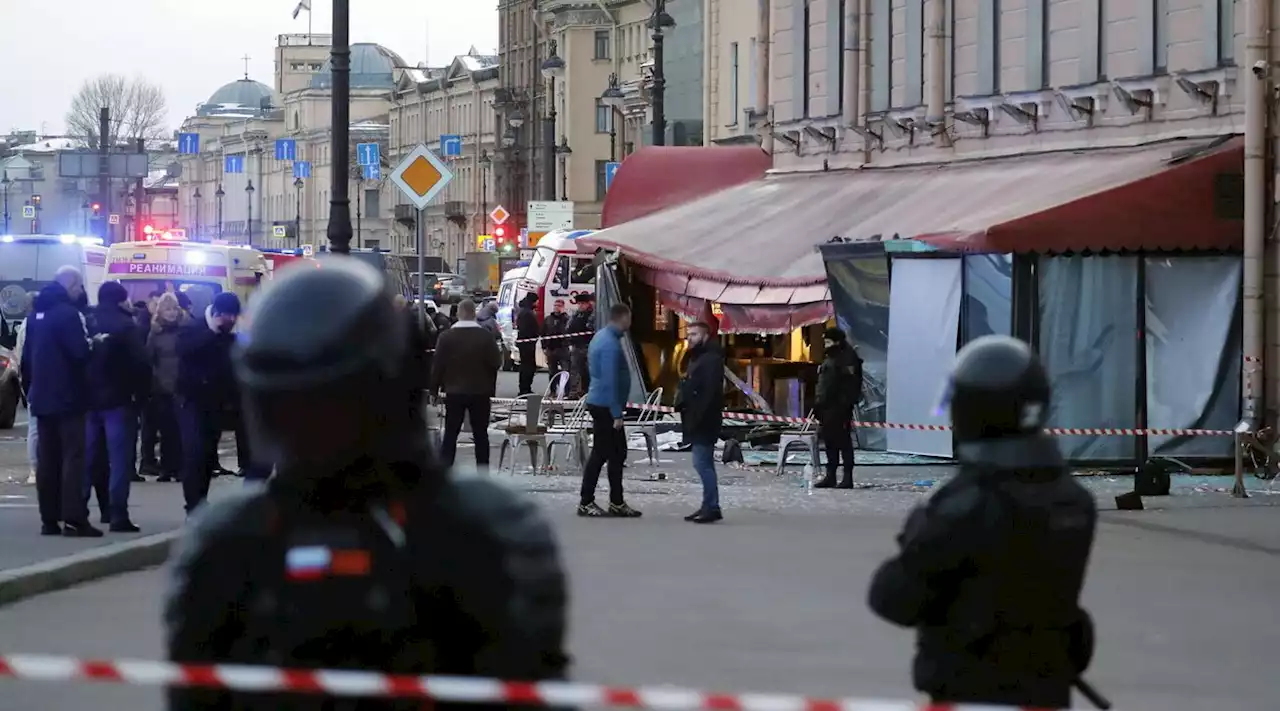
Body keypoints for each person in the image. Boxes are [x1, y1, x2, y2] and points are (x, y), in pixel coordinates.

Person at [164, 259, 569, 711]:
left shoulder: (228, 538)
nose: (320, 431)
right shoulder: (491, 524)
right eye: (301, 410)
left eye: (332, 407)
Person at [867, 335, 1097, 709]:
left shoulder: (968, 504)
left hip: (972, 690)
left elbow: (892, 598)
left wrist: (922, 530)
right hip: (1048, 691)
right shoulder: (1074, 501)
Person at [21, 266, 101, 537]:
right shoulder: (69, 315)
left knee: (48, 459)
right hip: (69, 398)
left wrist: (30, 391)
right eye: (79, 287)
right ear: (71, 286)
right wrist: (97, 343)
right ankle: (74, 518)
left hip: (41, 398)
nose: (81, 293)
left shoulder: (35, 316)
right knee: (73, 458)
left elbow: (27, 359)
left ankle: (49, 519)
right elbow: (80, 352)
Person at [83, 282, 150, 532]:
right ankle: (118, 514)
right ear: (122, 300)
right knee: (120, 460)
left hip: (89, 401)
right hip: (120, 400)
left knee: (90, 458)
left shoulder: (88, 321)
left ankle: (80, 510)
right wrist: (140, 396)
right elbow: (142, 363)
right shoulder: (126, 325)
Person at [176, 292, 241, 513]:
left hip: (216, 403)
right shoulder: (193, 328)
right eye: (227, 316)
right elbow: (184, 351)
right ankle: (193, 504)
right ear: (215, 313)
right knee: (195, 454)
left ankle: (200, 501)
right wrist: (212, 332)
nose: (230, 321)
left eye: (234, 316)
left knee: (207, 456)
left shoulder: (228, 336)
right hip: (192, 401)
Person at [577, 303, 640, 518]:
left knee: (617, 453)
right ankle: (586, 501)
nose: (630, 323)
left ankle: (617, 501)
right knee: (601, 453)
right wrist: (616, 413)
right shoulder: (610, 344)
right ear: (623, 318)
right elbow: (609, 379)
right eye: (629, 319)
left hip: (603, 402)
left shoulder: (602, 337)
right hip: (606, 405)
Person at [431, 298, 500, 470]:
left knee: (451, 433)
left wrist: (434, 390)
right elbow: (496, 362)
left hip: (454, 391)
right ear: (474, 314)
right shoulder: (485, 336)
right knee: (480, 435)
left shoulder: (446, 337)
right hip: (480, 392)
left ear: (457, 314)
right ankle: (482, 473)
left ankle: (445, 471)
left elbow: (438, 365)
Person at [675, 321, 725, 523]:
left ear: (705, 336)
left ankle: (712, 506)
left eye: (695, 334)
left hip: (704, 419)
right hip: (698, 417)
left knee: (701, 463)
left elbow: (709, 392)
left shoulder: (710, 359)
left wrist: (697, 416)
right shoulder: (699, 357)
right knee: (705, 464)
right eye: (689, 334)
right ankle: (708, 505)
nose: (690, 338)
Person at [813, 328, 862, 489]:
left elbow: (847, 385)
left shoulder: (847, 359)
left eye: (828, 342)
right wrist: (819, 404)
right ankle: (831, 475)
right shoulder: (833, 357)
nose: (825, 345)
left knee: (843, 442)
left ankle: (847, 478)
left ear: (837, 341)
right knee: (830, 442)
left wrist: (844, 404)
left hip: (839, 408)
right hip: (828, 408)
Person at [146, 293, 187, 483]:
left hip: (181, 385)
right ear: (160, 311)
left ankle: (180, 467)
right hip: (161, 386)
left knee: (181, 430)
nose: (171, 313)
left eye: (173, 309)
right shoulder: (155, 332)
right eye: (167, 309)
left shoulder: (185, 329)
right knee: (166, 430)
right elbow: (149, 358)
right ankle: (167, 468)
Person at [15, 292, 38, 486]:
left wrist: (23, 379)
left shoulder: (26, 325)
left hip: (32, 381)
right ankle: (36, 468)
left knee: (34, 427)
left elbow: (20, 353)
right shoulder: (33, 324)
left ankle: (35, 469)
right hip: (39, 382)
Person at [566, 293, 595, 398]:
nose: (580, 306)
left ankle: (589, 392)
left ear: (588, 304)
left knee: (589, 371)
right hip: (576, 346)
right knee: (575, 371)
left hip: (588, 346)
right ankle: (574, 393)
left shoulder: (593, 315)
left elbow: (592, 328)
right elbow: (568, 328)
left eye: (583, 303)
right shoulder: (575, 315)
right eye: (579, 304)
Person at [542, 298, 571, 390]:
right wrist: (544, 347)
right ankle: (553, 391)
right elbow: (543, 333)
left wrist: (563, 316)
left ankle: (566, 391)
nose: (556, 307)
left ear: (563, 307)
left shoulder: (567, 319)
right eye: (555, 305)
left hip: (563, 348)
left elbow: (568, 331)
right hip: (551, 348)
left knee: (565, 370)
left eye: (559, 306)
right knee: (552, 371)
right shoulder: (548, 319)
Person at [515, 293, 540, 395]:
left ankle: (525, 388)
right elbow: (529, 329)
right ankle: (525, 389)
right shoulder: (527, 313)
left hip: (525, 343)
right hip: (527, 344)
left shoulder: (524, 311)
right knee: (528, 367)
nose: (538, 303)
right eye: (537, 300)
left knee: (526, 366)